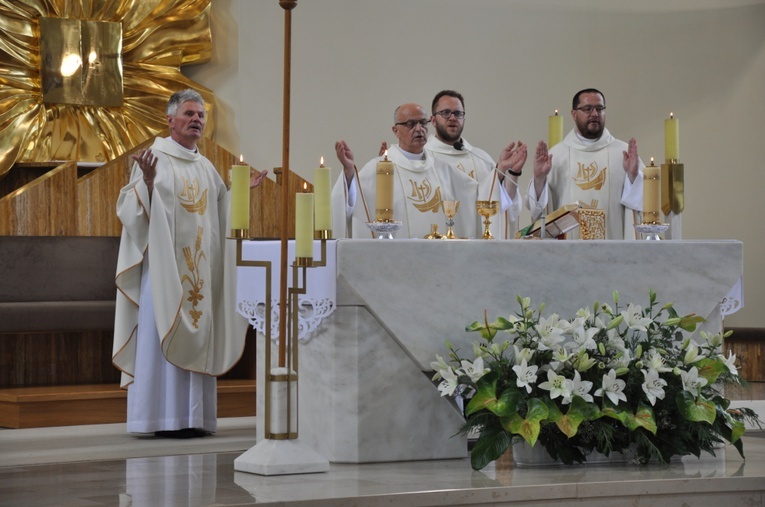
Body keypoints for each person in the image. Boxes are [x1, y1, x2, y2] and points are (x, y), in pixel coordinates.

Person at [112, 89, 267, 438]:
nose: (197, 119)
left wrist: (242, 192)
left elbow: (219, 212)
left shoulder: (206, 166)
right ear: (170, 120)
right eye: (189, 114)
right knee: (161, 333)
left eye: (201, 115)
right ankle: (159, 419)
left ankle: (194, 418)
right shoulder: (155, 158)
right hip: (165, 273)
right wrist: (148, 185)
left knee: (199, 337)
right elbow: (130, 213)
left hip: (199, 275)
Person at [331, 103, 500, 239]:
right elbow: (353, 201)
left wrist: (503, 172)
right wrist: (348, 172)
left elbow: (479, 194)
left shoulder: (444, 169)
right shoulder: (377, 168)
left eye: (423, 123)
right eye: (411, 124)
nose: (419, 129)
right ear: (395, 130)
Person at [527, 88, 644, 239]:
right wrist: (539, 178)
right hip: (568, 252)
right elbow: (538, 209)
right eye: (587, 109)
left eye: (600, 108)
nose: (595, 114)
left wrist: (634, 176)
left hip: (613, 249)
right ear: (574, 114)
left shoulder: (623, 154)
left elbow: (643, 203)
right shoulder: (556, 155)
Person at [425, 90, 526, 238]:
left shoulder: (480, 157)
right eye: (446, 112)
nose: (452, 118)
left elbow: (503, 205)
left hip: (480, 246)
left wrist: (511, 172)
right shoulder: (425, 158)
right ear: (433, 120)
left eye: (458, 113)